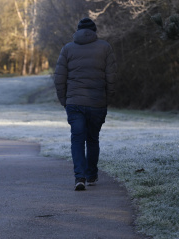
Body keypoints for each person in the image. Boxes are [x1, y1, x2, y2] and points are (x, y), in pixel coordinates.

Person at [53, 18, 117, 191]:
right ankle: (91, 175)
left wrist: (64, 101)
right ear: (94, 31)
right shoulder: (105, 47)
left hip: (74, 102)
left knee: (77, 140)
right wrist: (107, 98)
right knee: (93, 139)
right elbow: (111, 78)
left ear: (78, 30)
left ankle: (79, 177)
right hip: (97, 102)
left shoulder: (67, 49)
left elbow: (59, 79)